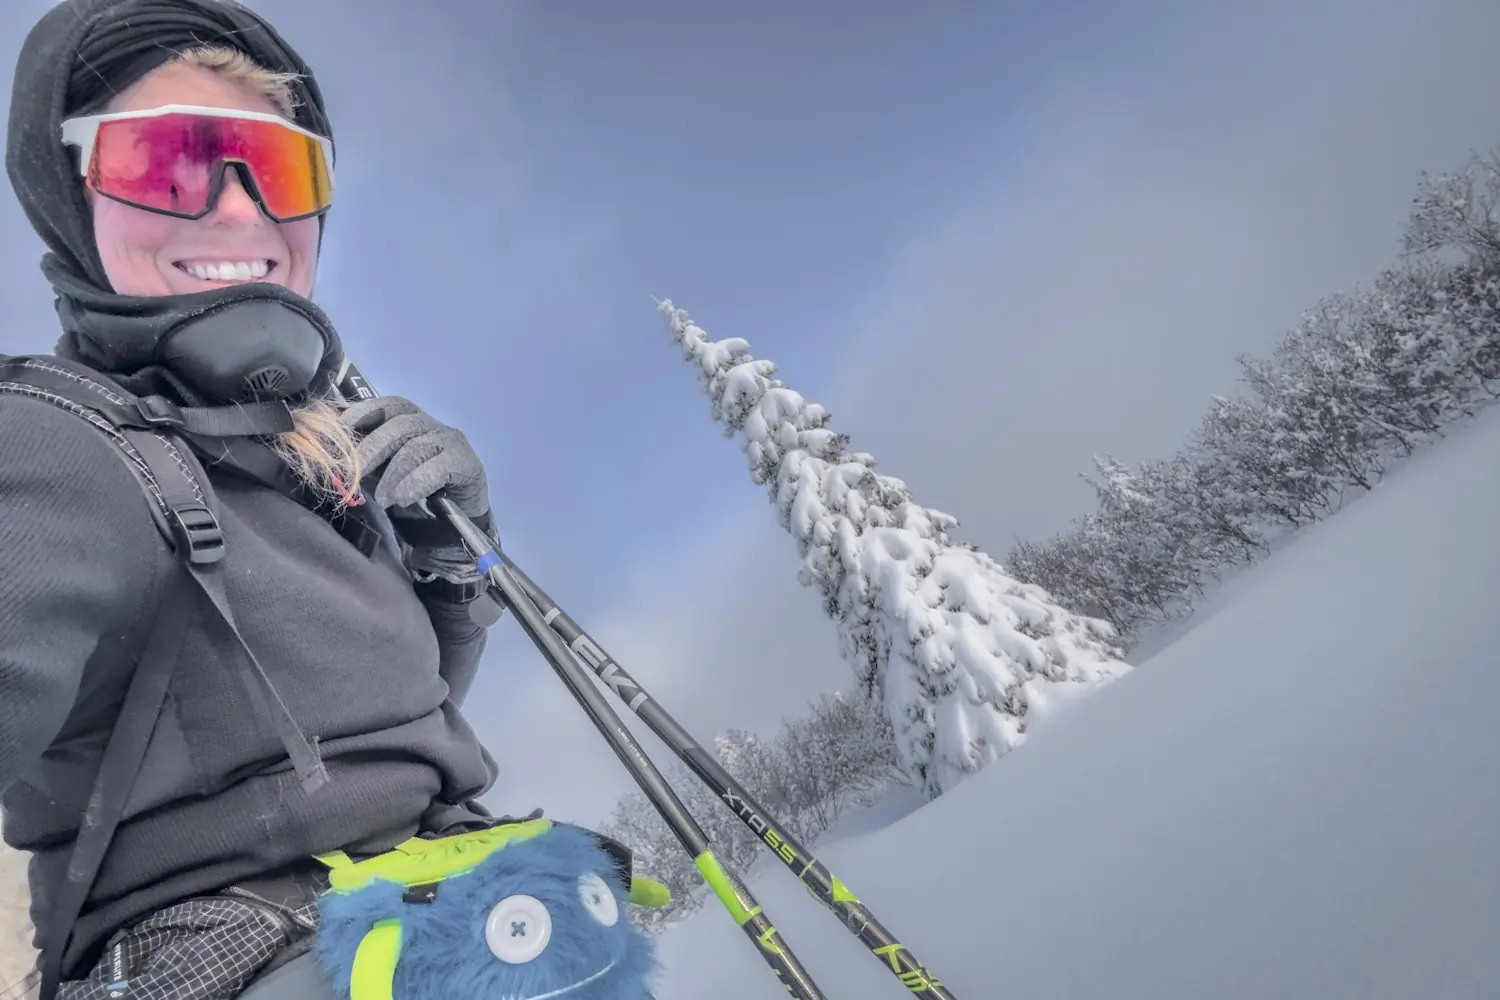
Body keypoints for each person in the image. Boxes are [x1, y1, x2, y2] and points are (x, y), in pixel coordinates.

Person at [0, 1, 520, 996]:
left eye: (279, 170)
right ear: (72, 198)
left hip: (451, 905)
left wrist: (451, 571)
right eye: (167, 163)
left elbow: (401, 729)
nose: (241, 211)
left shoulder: (306, 455)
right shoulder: (59, 445)